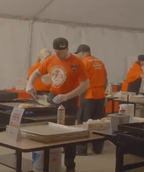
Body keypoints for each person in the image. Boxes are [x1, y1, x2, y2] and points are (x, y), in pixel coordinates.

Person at [25, 37, 89, 172]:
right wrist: (30, 84)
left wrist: (67, 96)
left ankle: (70, 166)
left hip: (69, 100)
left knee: (69, 134)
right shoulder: (51, 59)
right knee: (49, 131)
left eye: (60, 52)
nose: (58, 55)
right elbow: (36, 73)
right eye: (55, 52)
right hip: (53, 97)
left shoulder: (77, 62)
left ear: (67, 49)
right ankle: (47, 164)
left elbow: (85, 85)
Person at [75, 44, 107, 156]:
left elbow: (79, 80)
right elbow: (105, 79)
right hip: (101, 95)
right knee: (98, 123)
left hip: (88, 95)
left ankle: (81, 150)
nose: (78, 57)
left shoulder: (84, 63)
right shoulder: (100, 62)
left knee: (83, 122)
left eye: (78, 54)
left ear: (82, 52)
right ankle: (98, 149)